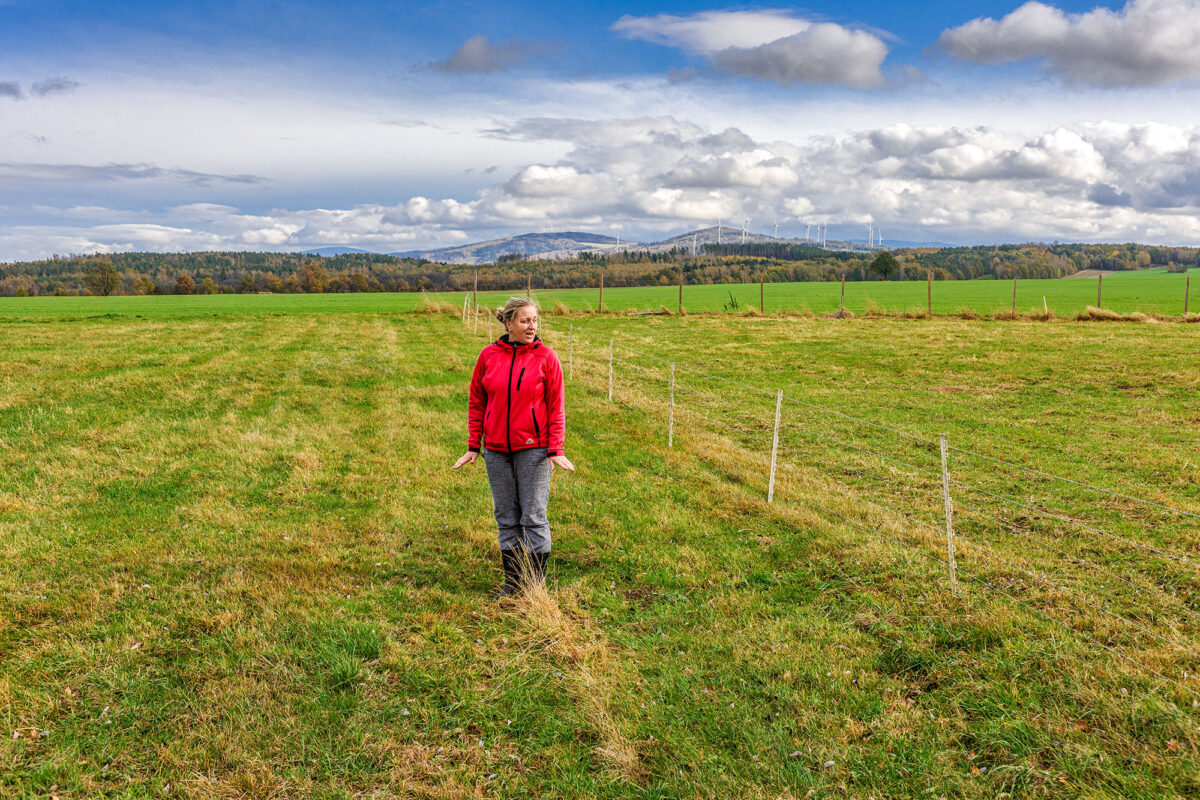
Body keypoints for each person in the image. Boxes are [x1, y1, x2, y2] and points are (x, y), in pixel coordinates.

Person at [452, 297, 575, 598]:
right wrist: (473, 445)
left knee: (532, 515)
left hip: (534, 449)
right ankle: (513, 584)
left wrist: (555, 450)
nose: (531, 326)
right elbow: (477, 402)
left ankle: (534, 588)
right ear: (508, 323)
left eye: (534, 320)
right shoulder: (488, 356)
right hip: (495, 450)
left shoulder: (547, 358)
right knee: (506, 517)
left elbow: (556, 407)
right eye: (525, 320)